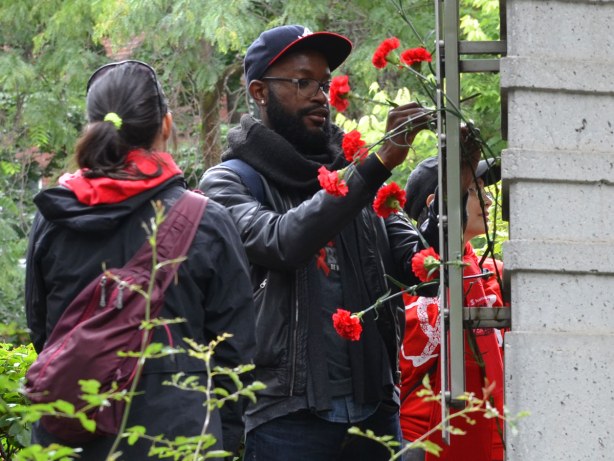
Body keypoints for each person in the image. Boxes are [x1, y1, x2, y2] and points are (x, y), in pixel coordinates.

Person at [198, 25, 479, 461]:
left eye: (325, 83)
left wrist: (456, 182)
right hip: (286, 419)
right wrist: (374, 167)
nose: (320, 95)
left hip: (374, 414)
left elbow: (425, 270)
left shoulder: (355, 174)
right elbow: (281, 243)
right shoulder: (228, 182)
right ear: (258, 92)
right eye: (302, 82)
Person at [25, 60, 256, 459]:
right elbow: (235, 356)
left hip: (69, 435)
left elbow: (43, 331)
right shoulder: (207, 221)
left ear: (92, 128)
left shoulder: (53, 215)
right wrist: (217, 434)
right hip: (177, 438)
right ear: (166, 126)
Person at [399, 156, 505, 461]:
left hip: (487, 438)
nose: (487, 200)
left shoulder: (494, 274)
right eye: (474, 189)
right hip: (423, 441)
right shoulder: (410, 278)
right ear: (438, 204)